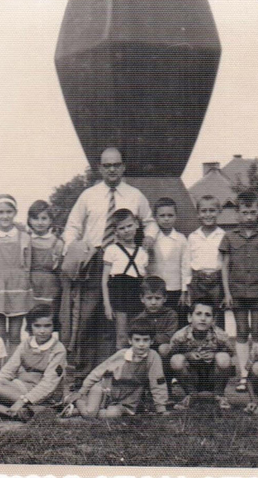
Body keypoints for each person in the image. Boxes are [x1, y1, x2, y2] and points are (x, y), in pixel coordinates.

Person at [62, 147, 157, 387]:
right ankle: (83, 374)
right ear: (99, 168)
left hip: (124, 264)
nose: (112, 169)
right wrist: (76, 249)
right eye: (107, 165)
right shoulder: (88, 195)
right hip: (94, 260)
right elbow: (72, 226)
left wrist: (149, 238)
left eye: (116, 165)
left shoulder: (135, 196)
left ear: (123, 167)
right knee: (87, 318)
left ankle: (114, 376)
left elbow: (150, 222)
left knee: (116, 322)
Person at [64, 319, 169, 418]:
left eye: (145, 340)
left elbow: (158, 382)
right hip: (104, 389)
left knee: (111, 414)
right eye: (137, 340)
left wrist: (161, 408)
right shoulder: (122, 355)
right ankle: (79, 401)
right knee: (90, 414)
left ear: (152, 341)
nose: (141, 344)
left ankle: (78, 411)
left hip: (128, 399)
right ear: (130, 341)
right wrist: (82, 391)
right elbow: (98, 372)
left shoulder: (153, 357)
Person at [220, 190, 258, 392]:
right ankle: (243, 374)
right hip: (237, 291)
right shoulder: (229, 237)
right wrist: (227, 293)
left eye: (253, 212)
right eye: (245, 212)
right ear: (237, 213)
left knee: (256, 331)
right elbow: (225, 266)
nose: (249, 217)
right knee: (241, 331)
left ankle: (256, 372)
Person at [0, 305, 68, 421]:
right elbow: (8, 370)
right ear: (30, 326)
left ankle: (28, 408)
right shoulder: (26, 343)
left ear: (54, 326)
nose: (42, 331)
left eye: (47, 326)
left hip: (46, 394)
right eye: (37, 326)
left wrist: (23, 400)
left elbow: (48, 385)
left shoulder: (58, 349)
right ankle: (23, 411)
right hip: (23, 388)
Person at [0, 194, 34, 354]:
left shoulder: (25, 237)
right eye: (0, 212)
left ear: (15, 212)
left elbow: (28, 265)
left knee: (15, 335)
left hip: (18, 288)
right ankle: (0, 365)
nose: (5, 216)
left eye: (9, 212)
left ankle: (13, 365)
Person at [169, 299, 234, 411]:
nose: (203, 318)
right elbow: (171, 355)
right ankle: (191, 395)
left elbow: (230, 353)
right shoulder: (180, 336)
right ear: (190, 317)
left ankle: (219, 395)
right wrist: (188, 356)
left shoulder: (220, 335)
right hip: (191, 375)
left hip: (212, 376)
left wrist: (215, 355)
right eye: (198, 314)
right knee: (176, 360)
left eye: (208, 315)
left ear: (213, 320)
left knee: (224, 358)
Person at [103, 209, 149, 351]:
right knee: (122, 336)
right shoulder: (112, 250)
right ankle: (121, 363)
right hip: (119, 297)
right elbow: (104, 280)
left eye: (129, 226)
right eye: (122, 228)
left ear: (136, 225)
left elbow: (144, 280)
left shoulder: (142, 253)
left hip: (137, 297)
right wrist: (107, 305)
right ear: (115, 231)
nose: (126, 230)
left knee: (138, 333)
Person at [147, 197, 190, 325]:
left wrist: (184, 291)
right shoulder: (151, 239)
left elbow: (185, 266)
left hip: (175, 288)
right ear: (155, 218)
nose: (166, 219)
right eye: (162, 215)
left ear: (176, 216)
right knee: (156, 321)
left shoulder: (181, 239)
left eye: (170, 215)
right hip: (154, 290)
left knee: (175, 320)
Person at [187, 195, 225, 328]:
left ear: (219, 212)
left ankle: (218, 340)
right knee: (198, 315)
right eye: (204, 211)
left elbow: (227, 263)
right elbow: (187, 262)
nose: (208, 214)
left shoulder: (224, 236)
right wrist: (187, 287)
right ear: (198, 214)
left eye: (212, 210)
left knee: (216, 315)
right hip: (197, 282)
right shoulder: (193, 237)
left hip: (216, 281)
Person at [28, 200, 64, 313]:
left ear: (50, 220)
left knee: (47, 313)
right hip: (29, 283)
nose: (40, 222)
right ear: (29, 220)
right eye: (35, 218)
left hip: (49, 284)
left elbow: (60, 268)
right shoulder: (25, 240)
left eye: (44, 218)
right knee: (31, 314)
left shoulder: (57, 242)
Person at [130, 276, 179, 359]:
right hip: (145, 348)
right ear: (142, 298)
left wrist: (150, 337)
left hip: (164, 351)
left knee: (163, 348)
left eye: (157, 298)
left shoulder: (171, 315)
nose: (153, 302)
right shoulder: (139, 318)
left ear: (165, 298)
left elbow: (170, 337)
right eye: (149, 298)